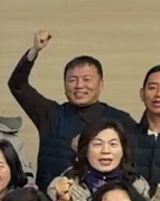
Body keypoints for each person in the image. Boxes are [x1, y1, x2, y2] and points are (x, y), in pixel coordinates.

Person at [8, 30, 138, 187]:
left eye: (87, 79)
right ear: (64, 85)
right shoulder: (50, 114)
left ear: (100, 85)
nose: (79, 86)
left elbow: (131, 165)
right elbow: (17, 85)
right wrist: (34, 51)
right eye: (72, 80)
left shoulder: (121, 120)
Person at [44, 118, 151, 201]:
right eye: (97, 144)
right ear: (85, 151)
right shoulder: (63, 186)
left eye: (113, 144)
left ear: (123, 151)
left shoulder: (138, 185)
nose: (105, 151)